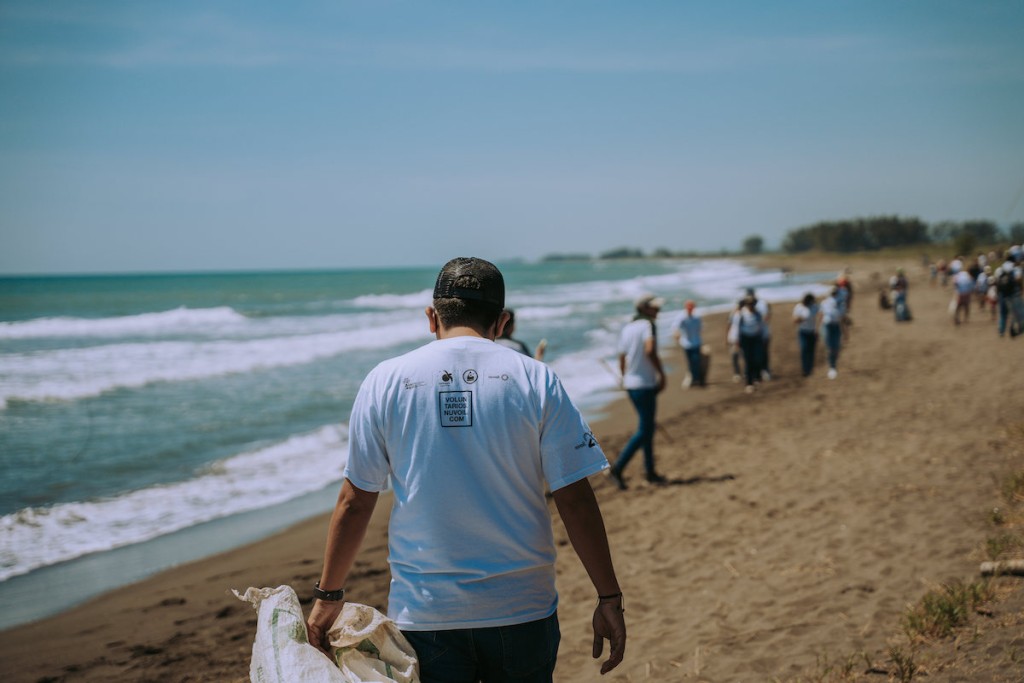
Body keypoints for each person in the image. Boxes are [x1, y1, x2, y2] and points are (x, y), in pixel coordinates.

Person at [306, 257, 626, 682]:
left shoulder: (385, 380)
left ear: (431, 317)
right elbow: (574, 498)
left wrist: (328, 598)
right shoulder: (536, 378)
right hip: (523, 609)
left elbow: (355, 501)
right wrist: (608, 596)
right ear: (501, 321)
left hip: (425, 615)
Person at [607, 295, 667, 490]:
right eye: (655, 308)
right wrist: (661, 373)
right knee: (645, 430)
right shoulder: (648, 326)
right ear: (645, 309)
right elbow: (650, 350)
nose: (658, 311)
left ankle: (650, 472)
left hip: (632, 384)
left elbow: (622, 357)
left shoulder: (628, 327)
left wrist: (624, 377)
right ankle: (617, 467)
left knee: (647, 428)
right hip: (644, 384)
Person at [732, 296, 765, 393]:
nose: (751, 306)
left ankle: (756, 377)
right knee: (748, 361)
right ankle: (749, 383)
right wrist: (736, 341)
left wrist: (762, 338)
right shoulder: (741, 314)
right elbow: (736, 328)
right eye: (749, 304)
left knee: (758, 359)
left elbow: (761, 326)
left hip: (756, 338)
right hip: (745, 339)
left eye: (753, 304)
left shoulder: (758, 313)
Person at [673, 299, 705, 388]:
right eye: (688, 307)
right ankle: (693, 378)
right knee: (690, 361)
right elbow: (675, 327)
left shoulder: (697, 317)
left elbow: (700, 328)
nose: (690, 308)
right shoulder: (681, 316)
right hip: (686, 343)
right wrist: (676, 334)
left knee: (696, 361)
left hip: (696, 342)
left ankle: (697, 378)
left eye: (691, 307)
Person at [792, 293, 819, 377]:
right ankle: (805, 369)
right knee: (804, 349)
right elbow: (794, 320)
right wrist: (801, 318)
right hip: (802, 332)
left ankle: (810, 369)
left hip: (812, 332)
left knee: (811, 351)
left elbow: (820, 314)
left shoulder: (814, 307)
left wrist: (817, 329)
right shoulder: (798, 307)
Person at [820, 287, 843, 380]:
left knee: (835, 347)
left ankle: (833, 365)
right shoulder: (825, 302)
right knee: (830, 347)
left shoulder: (840, 303)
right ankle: (832, 367)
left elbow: (841, 317)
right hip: (828, 325)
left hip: (835, 325)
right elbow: (821, 315)